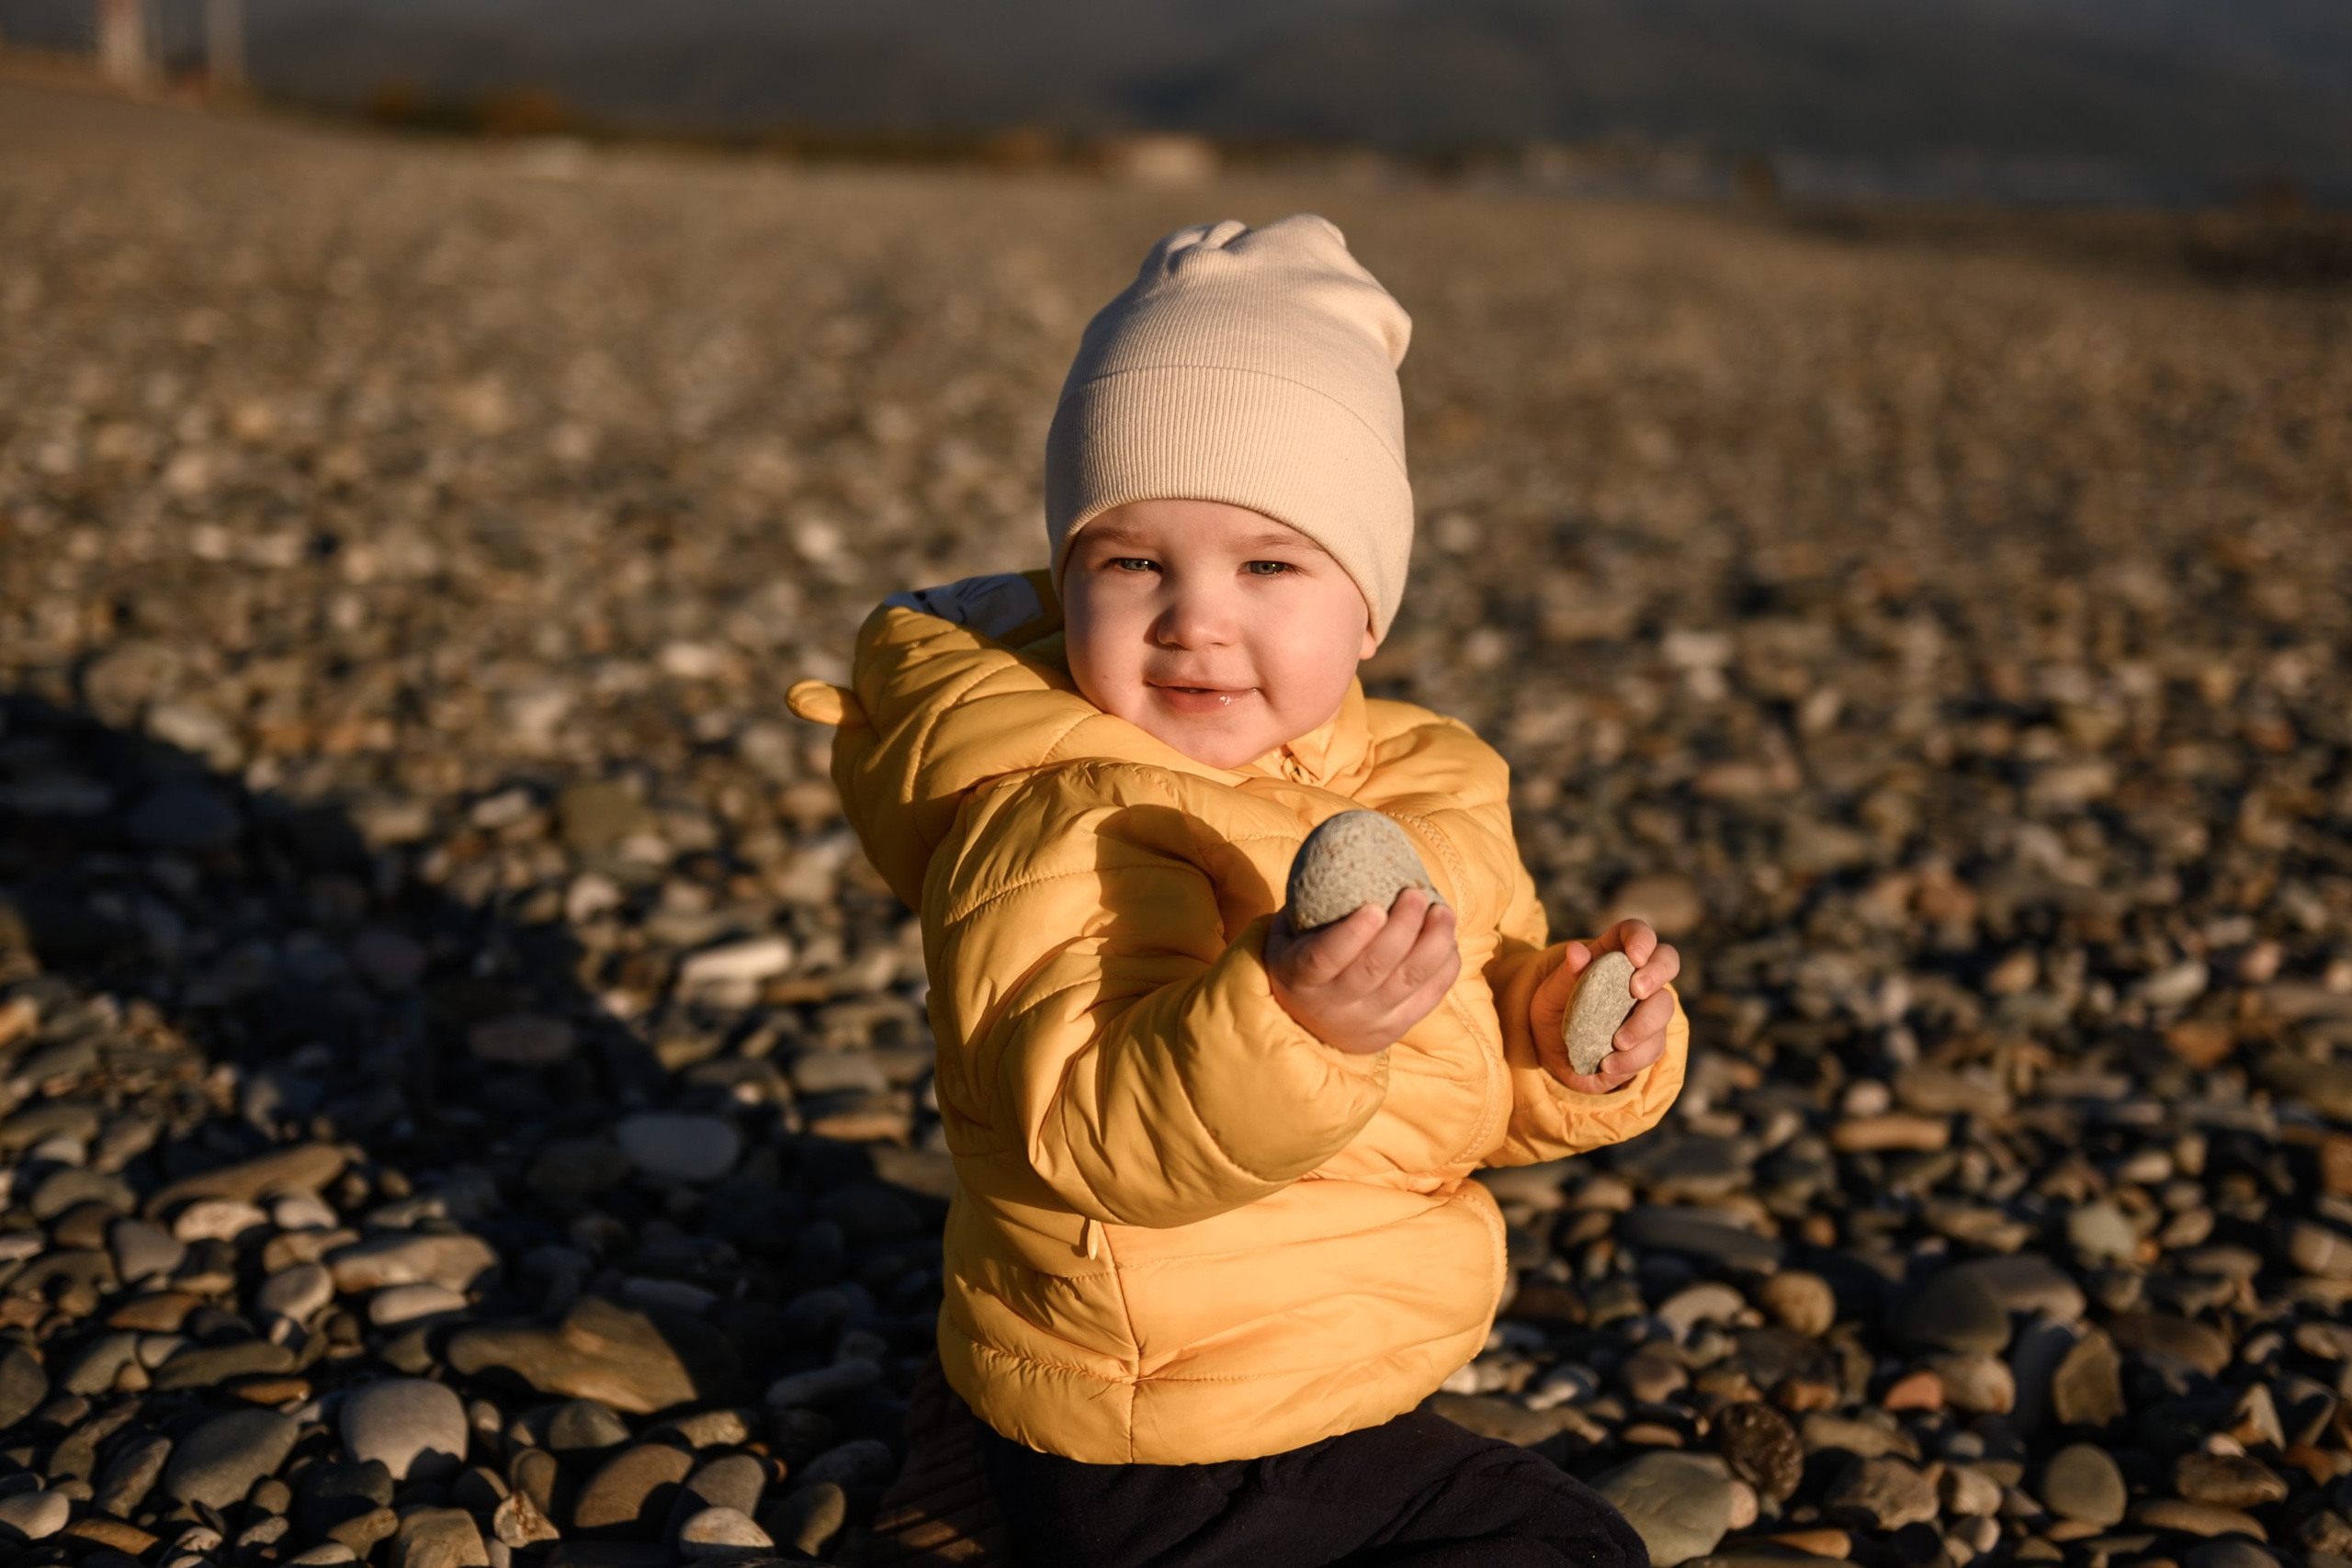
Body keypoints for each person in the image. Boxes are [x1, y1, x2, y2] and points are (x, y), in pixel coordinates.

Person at [788, 214, 1687, 1567]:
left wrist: (1572, 1042)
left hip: (1318, 1369)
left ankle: (973, 1470)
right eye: (1132, 561)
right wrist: (1299, 1025)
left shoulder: (1429, 778)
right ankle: (1002, 1479)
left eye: (1269, 564)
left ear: (1368, 607)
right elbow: (1085, 1129)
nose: (1194, 617)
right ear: (1072, 572)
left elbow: (1465, 1068)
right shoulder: (1059, 815)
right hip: (1155, 1414)